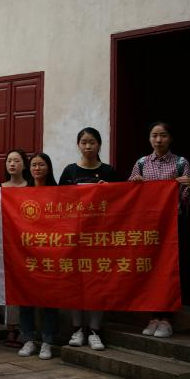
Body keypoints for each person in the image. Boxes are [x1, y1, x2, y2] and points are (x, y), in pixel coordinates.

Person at [128, 121, 190, 339]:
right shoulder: (141, 163)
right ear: (149, 138)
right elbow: (128, 197)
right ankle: (154, 316)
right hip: (148, 226)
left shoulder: (180, 163)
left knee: (169, 269)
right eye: (154, 135)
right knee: (151, 268)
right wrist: (134, 184)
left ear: (170, 138)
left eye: (163, 135)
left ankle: (167, 319)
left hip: (172, 225)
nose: (158, 140)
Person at [60, 127, 116, 351]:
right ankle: (76, 329)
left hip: (100, 238)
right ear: (78, 145)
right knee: (75, 283)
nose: (88, 146)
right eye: (84, 142)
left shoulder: (109, 171)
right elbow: (58, 202)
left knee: (97, 284)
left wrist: (110, 190)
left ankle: (95, 331)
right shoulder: (69, 171)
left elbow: (122, 203)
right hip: (74, 237)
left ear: (99, 145)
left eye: (92, 142)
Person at [19, 152, 58, 360]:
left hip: (52, 253)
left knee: (50, 298)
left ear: (48, 167)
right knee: (25, 297)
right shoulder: (22, 193)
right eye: (33, 165)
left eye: (41, 164)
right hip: (27, 253)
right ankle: (28, 339)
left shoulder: (59, 193)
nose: (37, 168)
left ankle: (47, 341)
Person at [0, 149, 29, 349]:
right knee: (9, 284)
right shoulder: (0, 188)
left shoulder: (31, 187)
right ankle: (11, 327)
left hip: (28, 243)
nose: (12, 164)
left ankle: (27, 328)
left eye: (16, 161)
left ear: (24, 165)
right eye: (9, 160)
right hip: (8, 243)